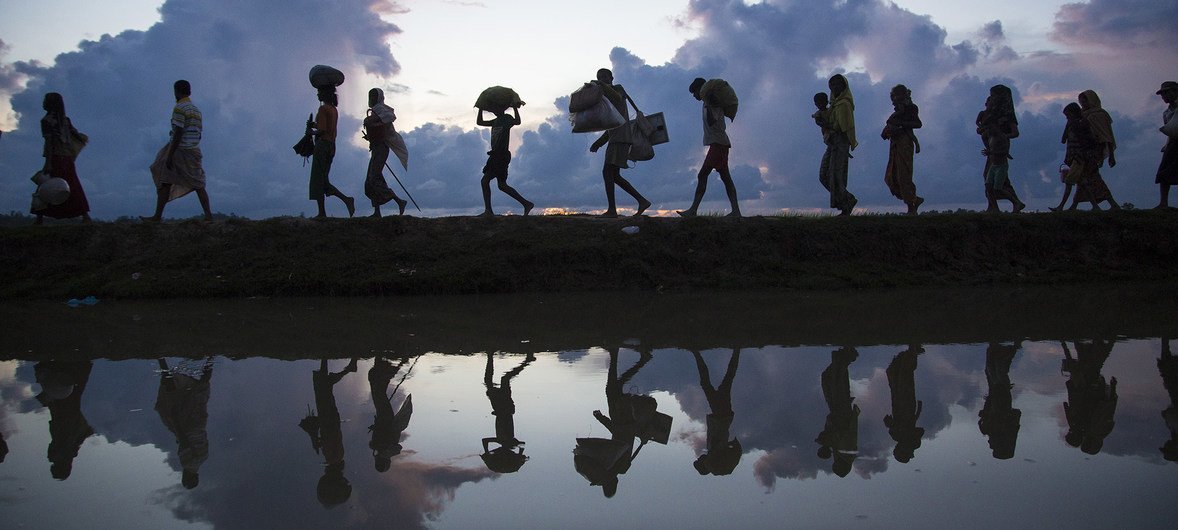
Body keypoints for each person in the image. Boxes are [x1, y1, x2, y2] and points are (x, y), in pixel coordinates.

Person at [142, 80, 214, 222]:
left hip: (180, 150)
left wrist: (170, 154)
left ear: (177, 91)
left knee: (164, 179)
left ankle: (157, 216)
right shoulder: (196, 111)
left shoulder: (180, 108)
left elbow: (178, 132)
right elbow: (199, 132)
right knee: (198, 183)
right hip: (193, 150)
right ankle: (208, 216)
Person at [589, 68, 652, 218]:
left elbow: (617, 99)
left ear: (612, 78)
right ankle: (641, 201)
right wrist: (599, 142)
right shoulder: (606, 99)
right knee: (614, 175)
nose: (602, 79)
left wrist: (601, 85)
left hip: (620, 138)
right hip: (617, 138)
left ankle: (612, 210)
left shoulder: (618, 89)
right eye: (599, 77)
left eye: (605, 76)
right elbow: (611, 126)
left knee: (608, 172)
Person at [298, 358, 358, 508]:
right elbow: (331, 437)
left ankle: (329, 362)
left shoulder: (335, 458)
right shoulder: (333, 457)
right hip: (329, 420)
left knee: (323, 389)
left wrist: (315, 438)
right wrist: (316, 435)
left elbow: (330, 439)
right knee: (323, 388)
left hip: (330, 421)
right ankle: (344, 368)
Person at [678, 78, 740, 218]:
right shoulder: (707, 103)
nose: (694, 96)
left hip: (719, 145)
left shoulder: (712, 102)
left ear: (700, 89)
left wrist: (709, 106)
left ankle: (693, 210)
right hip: (718, 144)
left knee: (703, 175)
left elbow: (712, 122)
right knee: (726, 179)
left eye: (694, 93)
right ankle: (736, 211)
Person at [155, 357, 214, 489]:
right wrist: (175, 420)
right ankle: (161, 359)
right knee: (170, 395)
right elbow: (184, 441)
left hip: (199, 422)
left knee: (201, 390)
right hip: (188, 425)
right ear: (187, 477)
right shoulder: (187, 463)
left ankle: (211, 358)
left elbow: (199, 439)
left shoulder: (204, 457)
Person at [32, 92, 91, 224]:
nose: (43, 103)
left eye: (45, 100)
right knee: (72, 186)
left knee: (45, 186)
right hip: (67, 159)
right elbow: (75, 135)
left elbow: (49, 143)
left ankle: (39, 218)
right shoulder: (65, 120)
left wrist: (47, 162)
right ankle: (85, 215)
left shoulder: (47, 121)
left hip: (56, 158)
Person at [1053, 103, 1119, 211]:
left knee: (1071, 181)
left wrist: (1104, 156)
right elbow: (1063, 139)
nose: (1067, 118)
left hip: (1081, 157)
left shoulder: (1083, 123)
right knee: (1083, 183)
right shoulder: (1073, 124)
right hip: (1075, 157)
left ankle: (1061, 206)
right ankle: (1094, 206)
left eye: (1068, 116)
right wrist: (1068, 124)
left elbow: (1094, 139)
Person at [481, 352, 535, 473]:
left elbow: (522, 445)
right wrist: (486, 451)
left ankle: (491, 356)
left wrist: (518, 450)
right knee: (500, 380)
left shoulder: (507, 441)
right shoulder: (504, 440)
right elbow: (484, 441)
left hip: (502, 410)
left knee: (497, 381)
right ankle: (526, 361)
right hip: (503, 408)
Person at [691, 349, 742, 476]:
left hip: (722, 415)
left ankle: (737, 351)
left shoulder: (714, 454)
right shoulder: (712, 459)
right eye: (699, 461)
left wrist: (729, 444)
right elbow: (720, 442)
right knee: (709, 383)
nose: (699, 458)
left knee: (726, 379)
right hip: (720, 414)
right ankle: (696, 352)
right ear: (703, 465)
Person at [477, 105, 534, 216]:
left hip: (501, 156)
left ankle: (488, 211)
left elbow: (517, 121)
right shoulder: (495, 121)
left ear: (501, 108)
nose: (493, 111)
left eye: (495, 108)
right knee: (502, 185)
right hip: (495, 156)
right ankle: (526, 204)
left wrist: (515, 108)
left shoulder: (507, 119)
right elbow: (480, 122)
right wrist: (480, 108)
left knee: (485, 181)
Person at [308, 85, 355, 218]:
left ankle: (322, 212)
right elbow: (327, 127)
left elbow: (322, 130)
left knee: (318, 179)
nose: (317, 95)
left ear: (324, 94)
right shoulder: (333, 109)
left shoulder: (323, 109)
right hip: (331, 146)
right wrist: (315, 125)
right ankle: (346, 200)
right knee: (324, 180)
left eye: (319, 92)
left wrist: (311, 131)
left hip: (322, 145)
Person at [977, 85, 1025, 213]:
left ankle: (1014, 203)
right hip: (991, 148)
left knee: (997, 178)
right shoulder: (992, 113)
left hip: (1000, 148)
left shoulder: (1007, 114)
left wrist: (1003, 136)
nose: (992, 98)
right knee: (990, 177)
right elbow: (986, 128)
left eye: (994, 96)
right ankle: (993, 206)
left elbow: (1015, 132)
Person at [815, 346, 859, 477]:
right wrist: (826, 442)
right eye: (836, 465)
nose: (834, 462)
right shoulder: (846, 453)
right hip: (841, 413)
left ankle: (842, 358)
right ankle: (846, 357)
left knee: (829, 379)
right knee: (837, 381)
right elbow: (841, 434)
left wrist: (826, 443)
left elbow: (833, 436)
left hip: (836, 413)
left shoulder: (841, 453)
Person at [363, 88, 407, 217]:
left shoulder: (380, 109)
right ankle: (377, 211)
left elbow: (390, 116)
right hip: (377, 147)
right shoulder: (375, 111)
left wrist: (375, 120)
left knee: (373, 178)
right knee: (371, 180)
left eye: (373, 96)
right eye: (370, 96)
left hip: (381, 148)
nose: (371, 99)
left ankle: (396, 199)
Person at [881, 85, 924, 215]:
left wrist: (900, 126)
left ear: (901, 96)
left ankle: (911, 205)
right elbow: (890, 124)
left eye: (894, 96)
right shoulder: (897, 111)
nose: (892, 100)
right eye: (892, 97)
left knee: (903, 174)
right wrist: (887, 131)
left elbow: (918, 124)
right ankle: (914, 199)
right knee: (890, 177)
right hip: (895, 144)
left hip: (905, 142)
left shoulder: (911, 108)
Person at [821, 74, 858, 216]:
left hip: (840, 142)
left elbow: (844, 127)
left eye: (837, 85)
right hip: (832, 143)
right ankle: (846, 199)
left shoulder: (844, 104)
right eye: (832, 85)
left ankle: (846, 204)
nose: (834, 88)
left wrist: (826, 124)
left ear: (843, 86)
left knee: (836, 175)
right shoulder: (834, 105)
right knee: (824, 175)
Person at [368, 356, 412, 473]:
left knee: (379, 393)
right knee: (379, 393)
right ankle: (386, 366)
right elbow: (387, 433)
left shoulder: (382, 448)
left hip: (384, 417)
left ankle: (383, 366)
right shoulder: (386, 448)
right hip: (385, 418)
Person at [884, 345, 924, 463]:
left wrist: (890, 423)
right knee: (905, 376)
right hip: (907, 406)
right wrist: (904, 430)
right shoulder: (914, 443)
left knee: (892, 374)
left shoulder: (896, 436)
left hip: (897, 403)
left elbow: (890, 423)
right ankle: (912, 352)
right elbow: (920, 431)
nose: (896, 448)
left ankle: (906, 354)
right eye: (897, 450)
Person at [1154, 81, 1178, 209]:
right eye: (1162, 94)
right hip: (1174, 143)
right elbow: (1171, 129)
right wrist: (1167, 145)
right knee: (1164, 172)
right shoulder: (1166, 113)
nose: (1164, 96)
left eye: (1166, 93)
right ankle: (1163, 203)